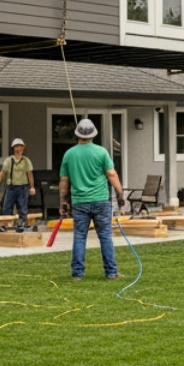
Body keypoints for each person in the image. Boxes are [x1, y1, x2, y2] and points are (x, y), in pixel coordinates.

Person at [57, 118, 124, 280]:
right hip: (101, 200)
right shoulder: (101, 152)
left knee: (80, 237)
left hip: (79, 202)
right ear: (93, 135)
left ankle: (77, 274)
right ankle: (111, 272)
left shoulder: (69, 154)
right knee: (105, 236)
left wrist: (63, 201)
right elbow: (111, 174)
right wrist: (120, 193)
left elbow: (64, 181)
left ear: (77, 135)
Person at [0, 138, 36, 232]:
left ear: (23, 148)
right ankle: (4, 225)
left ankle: (22, 224)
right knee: (7, 207)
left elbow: (30, 174)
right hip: (11, 188)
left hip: (23, 187)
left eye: (20, 146)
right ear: (13, 148)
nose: (18, 148)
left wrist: (32, 187)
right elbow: (2, 173)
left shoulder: (26, 161)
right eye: (16, 146)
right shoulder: (9, 160)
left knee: (22, 207)